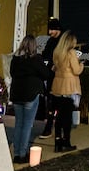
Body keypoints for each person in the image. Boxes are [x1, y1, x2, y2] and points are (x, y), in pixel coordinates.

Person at [7, 35, 52, 163]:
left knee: (19, 124)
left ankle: (16, 153)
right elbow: (45, 74)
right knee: (27, 125)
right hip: (30, 95)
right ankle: (23, 153)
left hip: (17, 94)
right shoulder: (35, 59)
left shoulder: (15, 59)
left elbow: (12, 73)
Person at [49, 31, 84, 153]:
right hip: (69, 87)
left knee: (59, 116)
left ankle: (57, 142)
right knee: (67, 116)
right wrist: (81, 65)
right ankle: (66, 141)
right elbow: (76, 70)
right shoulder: (71, 53)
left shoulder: (57, 52)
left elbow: (54, 68)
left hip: (58, 86)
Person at [37, 18, 63, 138]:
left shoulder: (62, 42)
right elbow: (46, 54)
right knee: (52, 102)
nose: (50, 32)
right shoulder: (51, 42)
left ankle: (55, 128)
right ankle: (50, 128)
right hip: (51, 76)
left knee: (56, 102)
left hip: (60, 77)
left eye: (52, 29)